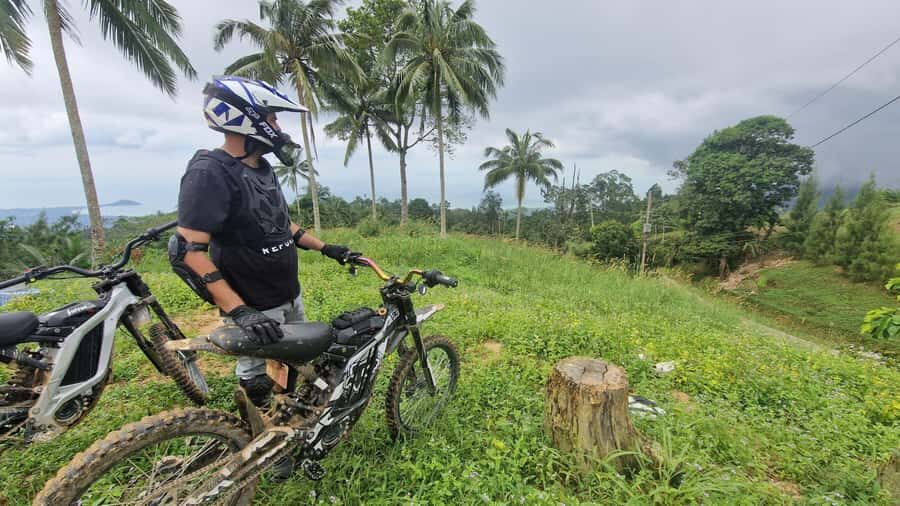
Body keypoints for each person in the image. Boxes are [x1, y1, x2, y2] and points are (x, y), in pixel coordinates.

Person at [171, 75, 358, 410]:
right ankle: (256, 431)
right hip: (253, 301)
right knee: (255, 374)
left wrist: (328, 249)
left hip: (287, 291)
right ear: (246, 118)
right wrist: (240, 312)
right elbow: (189, 252)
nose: (277, 125)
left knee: (292, 361)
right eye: (271, 117)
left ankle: (286, 417)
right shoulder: (209, 173)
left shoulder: (263, 169)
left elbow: (281, 225)